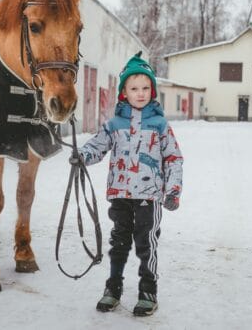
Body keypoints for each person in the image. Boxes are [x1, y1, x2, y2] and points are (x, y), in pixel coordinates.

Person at [71, 51, 183, 316]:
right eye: (134, 88)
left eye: (146, 88)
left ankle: (147, 290)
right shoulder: (115, 124)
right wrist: (82, 156)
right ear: (124, 92)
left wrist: (174, 190)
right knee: (119, 242)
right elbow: (98, 146)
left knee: (147, 243)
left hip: (149, 196)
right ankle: (113, 287)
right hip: (120, 194)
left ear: (152, 91)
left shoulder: (159, 124)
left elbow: (173, 157)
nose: (140, 93)